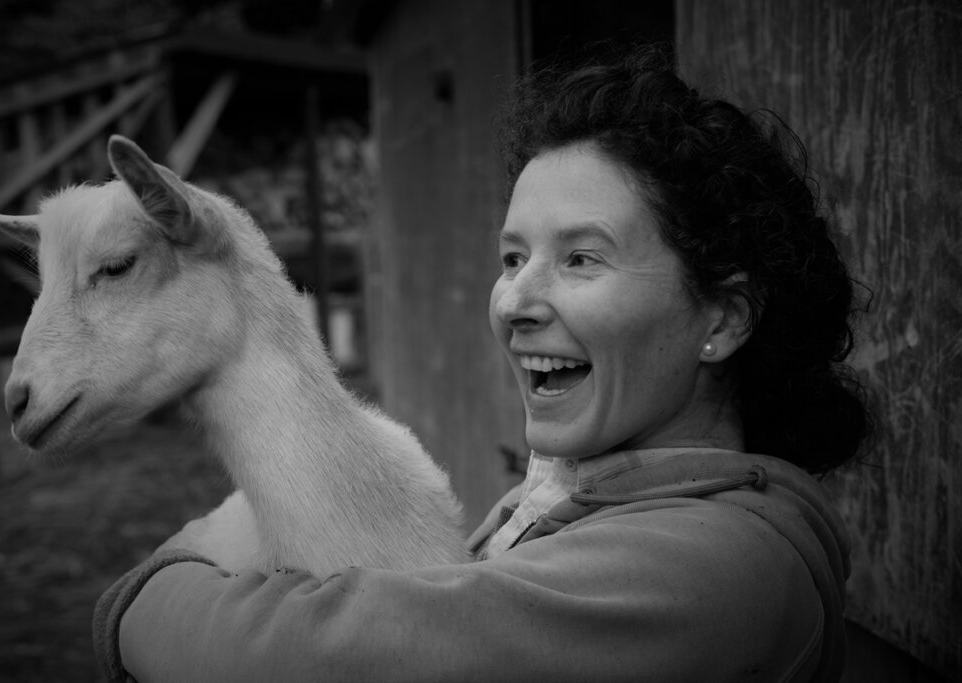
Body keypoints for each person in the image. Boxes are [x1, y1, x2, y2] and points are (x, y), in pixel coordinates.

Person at [94, 44, 869, 682]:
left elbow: (326, 654)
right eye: (513, 255)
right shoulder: (559, 498)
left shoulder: (718, 566)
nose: (513, 301)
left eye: (581, 257)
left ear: (724, 318)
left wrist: (148, 590)